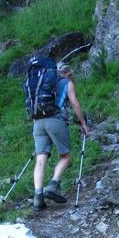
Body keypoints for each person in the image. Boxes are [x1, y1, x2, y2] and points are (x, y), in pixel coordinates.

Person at [32, 64, 89, 211]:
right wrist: (83, 123)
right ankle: (52, 185)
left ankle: (38, 198)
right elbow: (75, 104)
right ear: (67, 73)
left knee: (40, 158)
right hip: (56, 121)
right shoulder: (66, 83)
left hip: (38, 122)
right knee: (66, 156)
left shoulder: (42, 84)